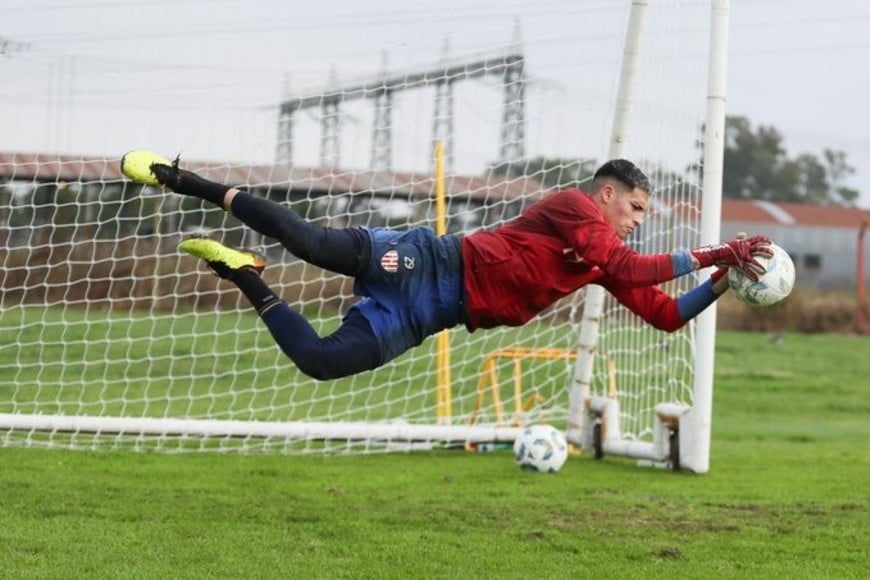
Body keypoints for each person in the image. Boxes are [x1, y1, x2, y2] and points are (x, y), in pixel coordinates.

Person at [121, 151, 771, 381]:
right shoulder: (576, 207)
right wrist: (715, 250)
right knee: (313, 243)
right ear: (605, 195)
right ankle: (185, 180)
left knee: (321, 362)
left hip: (433, 311)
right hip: (427, 264)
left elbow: (661, 314)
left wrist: (723, 280)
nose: (637, 219)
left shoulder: (601, 259)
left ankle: (243, 272)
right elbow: (632, 271)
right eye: (634, 207)